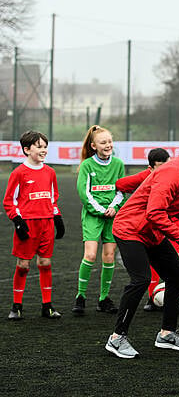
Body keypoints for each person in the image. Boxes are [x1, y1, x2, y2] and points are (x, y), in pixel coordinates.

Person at [105, 125, 179, 359]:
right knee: (141, 280)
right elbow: (155, 212)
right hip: (130, 229)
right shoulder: (176, 170)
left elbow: (173, 204)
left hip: (151, 231)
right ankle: (117, 339)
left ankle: (166, 334)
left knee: (178, 276)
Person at [115, 147, 179, 313]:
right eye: (159, 167)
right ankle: (152, 298)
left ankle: (178, 299)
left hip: (172, 222)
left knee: (174, 264)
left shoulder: (174, 175)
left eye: (166, 164)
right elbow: (121, 184)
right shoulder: (147, 177)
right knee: (150, 266)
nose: (164, 170)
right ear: (151, 168)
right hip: (152, 224)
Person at [3, 131, 64, 320]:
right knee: (23, 266)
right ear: (27, 149)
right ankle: (16, 306)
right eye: (39, 146)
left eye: (45, 146)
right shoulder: (19, 173)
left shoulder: (50, 172)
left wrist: (57, 217)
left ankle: (47, 306)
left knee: (45, 263)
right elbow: (9, 201)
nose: (43, 150)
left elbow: (53, 198)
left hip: (46, 224)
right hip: (28, 226)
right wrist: (18, 222)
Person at [73, 125, 125, 315]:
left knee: (109, 256)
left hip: (113, 216)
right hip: (94, 216)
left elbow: (120, 189)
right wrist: (101, 210)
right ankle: (81, 296)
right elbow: (84, 193)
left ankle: (103, 299)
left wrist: (114, 207)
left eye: (110, 141)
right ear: (94, 146)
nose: (108, 145)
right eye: (103, 142)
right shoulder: (87, 165)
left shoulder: (118, 164)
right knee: (91, 256)